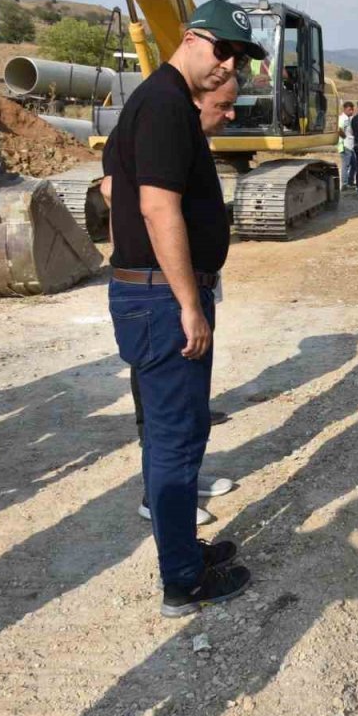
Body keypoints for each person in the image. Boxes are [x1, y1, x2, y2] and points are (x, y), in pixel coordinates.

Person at [104, 0, 264, 618]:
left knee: (181, 429)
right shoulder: (168, 105)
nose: (228, 66)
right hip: (162, 300)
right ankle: (182, 581)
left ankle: (185, 554)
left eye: (238, 58)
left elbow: (114, 184)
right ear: (193, 39)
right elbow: (156, 207)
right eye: (222, 50)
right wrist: (188, 303)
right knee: (174, 440)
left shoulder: (154, 103)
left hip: (151, 293)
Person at [101, 77, 240, 528]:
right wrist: (185, 297)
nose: (231, 114)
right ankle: (159, 499)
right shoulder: (156, 126)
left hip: (174, 285)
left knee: (187, 408)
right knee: (165, 413)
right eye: (223, 105)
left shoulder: (185, 142)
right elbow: (143, 208)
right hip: (157, 292)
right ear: (193, 102)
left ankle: (183, 481)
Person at [338, 100, 356, 189]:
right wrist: (345, 138)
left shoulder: (349, 119)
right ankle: (344, 184)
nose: (351, 111)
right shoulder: (343, 118)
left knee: (354, 164)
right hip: (345, 146)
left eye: (352, 110)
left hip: (351, 146)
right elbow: (339, 129)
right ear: (345, 109)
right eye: (349, 110)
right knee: (346, 165)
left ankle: (350, 182)